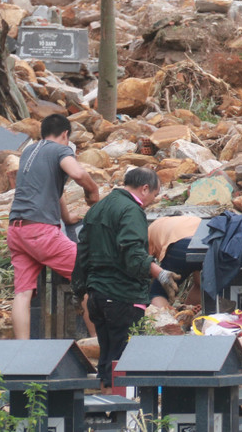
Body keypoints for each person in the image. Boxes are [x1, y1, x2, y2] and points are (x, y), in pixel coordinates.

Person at [71, 167, 178, 389]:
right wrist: (161, 274)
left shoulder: (97, 208)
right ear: (145, 188)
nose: (152, 201)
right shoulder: (131, 210)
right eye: (154, 195)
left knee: (107, 356)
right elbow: (133, 254)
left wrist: (79, 289)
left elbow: (82, 252)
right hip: (122, 296)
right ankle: (117, 413)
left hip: (97, 298)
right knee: (121, 359)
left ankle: (105, 408)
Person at [7, 114, 101, 340]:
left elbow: (52, 191)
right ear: (65, 135)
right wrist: (94, 193)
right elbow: (78, 173)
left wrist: (66, 218)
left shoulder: (30, 151)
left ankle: (22, 351)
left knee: (22, 293)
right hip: (40, 232)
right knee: (91, 276)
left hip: (16, 230)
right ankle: (97, 343)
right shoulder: (61, 150)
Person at [147, 215, 203, 308]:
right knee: (200, 284)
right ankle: (187, 315)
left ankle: (165, 321)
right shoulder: (189, 219)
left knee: (158, 292)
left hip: (180, 244)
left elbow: (144, 262)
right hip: (207, 245)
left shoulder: (151, 228)